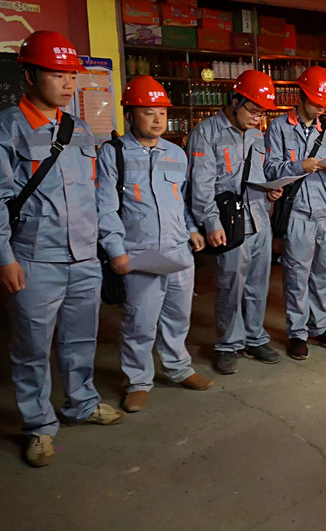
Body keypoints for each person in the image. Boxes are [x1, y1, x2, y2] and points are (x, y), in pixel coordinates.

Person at [0, 31, 125, 468]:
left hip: (83, 258)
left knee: (81, 339)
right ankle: (39, 426)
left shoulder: (79, 129)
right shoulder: (3, 128)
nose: (67, 83)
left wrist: (106, 246)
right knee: (32, 349)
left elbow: (96, 194)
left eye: (71, 74)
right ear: (30, 75)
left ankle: (81, 402)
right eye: (57, 74)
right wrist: (4, 258)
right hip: (34, 260)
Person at [97, 76, 213, 413]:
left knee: (178, 316)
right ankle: (138, 381)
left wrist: (192, 229)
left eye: (162, 112)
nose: (158, 119)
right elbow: (105, 207)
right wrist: (115, 251)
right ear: (130, 115)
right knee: (139, 322)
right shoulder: (113, 154)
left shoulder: (175, 153)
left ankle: (178, 369)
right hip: (140, 254)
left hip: (178, 252)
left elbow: (182, 200)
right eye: (149, 112)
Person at [187, 70, 283, 374]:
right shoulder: (206, 133)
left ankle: (255, 338)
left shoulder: (256, 134)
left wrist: (271, 191)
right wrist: (210, 222)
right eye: (253, 111)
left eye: (262, 113)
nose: (257, 118)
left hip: (259, 219)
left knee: (258, 285)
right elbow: (201, 184)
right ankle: (228, 344)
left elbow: (259, 174)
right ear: (235, 100)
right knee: (231, 285)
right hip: (228, 223)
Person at [264, 66, 326, 360]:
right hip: (298, 212)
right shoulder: (278, 128)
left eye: (325, 103)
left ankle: (319, 327)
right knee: (296, 275)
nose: (321, 108)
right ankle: (298, 333)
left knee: (324, 274)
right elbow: (269, 169)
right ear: (301, 95)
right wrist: (298, 166)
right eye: (317, 101)